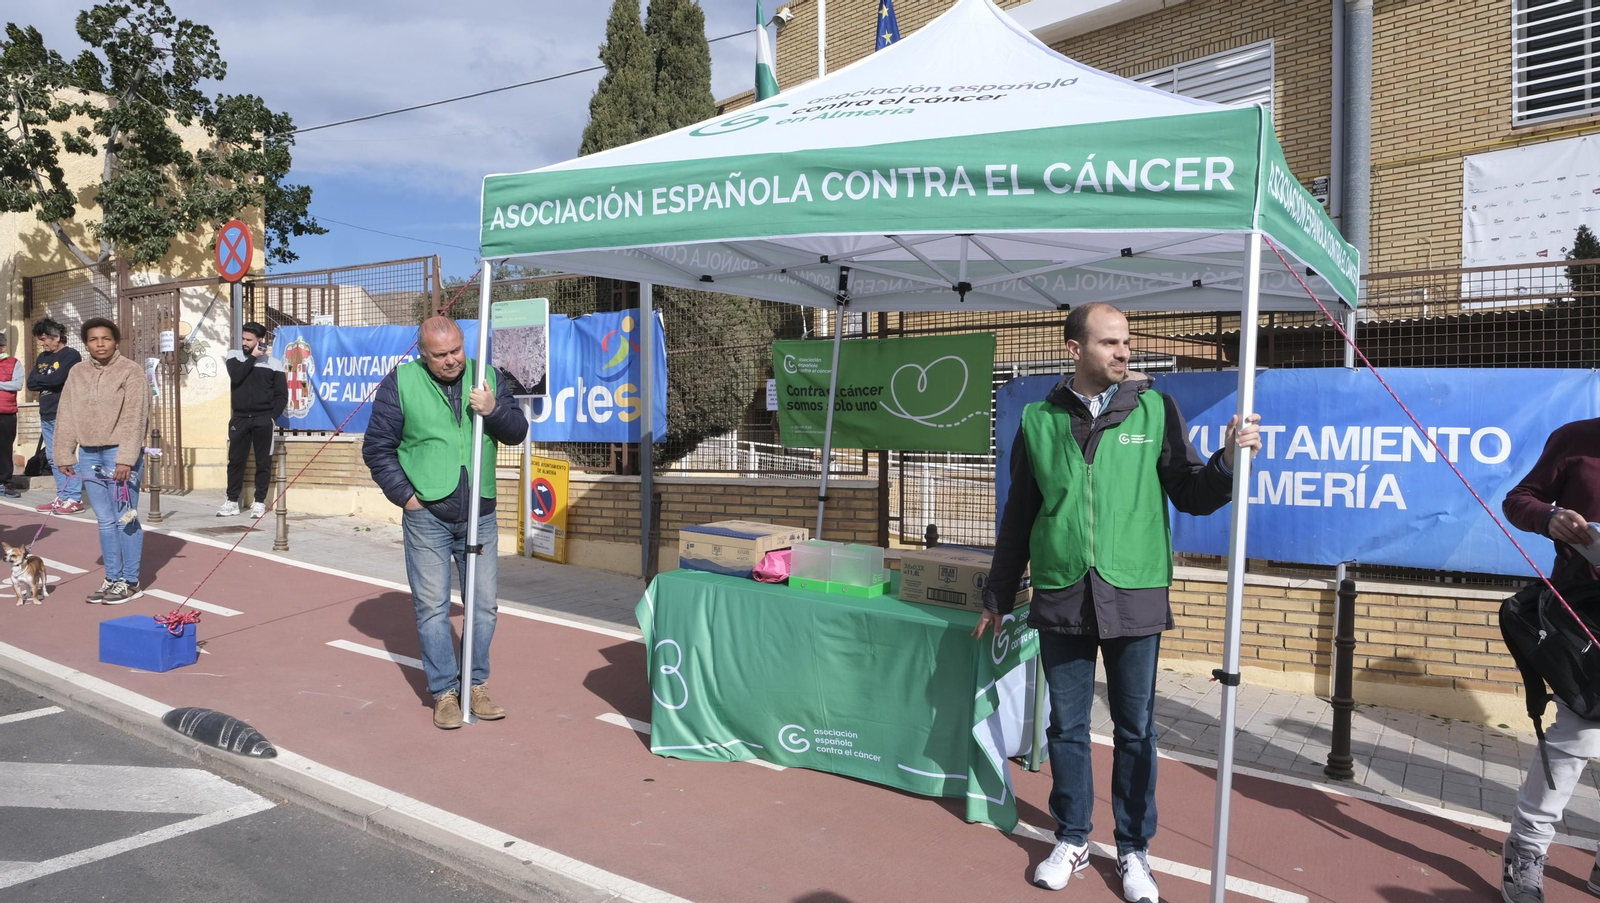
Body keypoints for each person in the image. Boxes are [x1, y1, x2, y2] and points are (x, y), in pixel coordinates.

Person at [975, 302, 1261, 901]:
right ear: (1075, 349)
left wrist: (1230, 460)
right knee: (1066, 728)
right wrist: (999, 593)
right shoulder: (1038, 419)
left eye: (1126, 342)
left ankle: (1134, 852)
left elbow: (1191, 494)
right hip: (1062, 595)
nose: (1124, 353)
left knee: (1136, 731)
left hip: (1134, 594)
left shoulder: (1154, 408)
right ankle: (1072, 837)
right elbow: (1019, 514)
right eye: (1109, 343)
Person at [362, 316, 527, 730]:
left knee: (484, 607)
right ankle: (444, 694)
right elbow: (377, 449)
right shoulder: (400, 383)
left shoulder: (488, 376)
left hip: (480, 515)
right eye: (441, 355)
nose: (452, 360)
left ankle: (476, 685)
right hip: (427, 518)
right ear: (422, 353)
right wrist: (407, 498)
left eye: (456, 350)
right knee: (432, 609)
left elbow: (517, 432)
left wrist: (494, 411)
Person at [1500, 416, 1600, 903]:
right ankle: (1526, 850)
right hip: (1583, 609)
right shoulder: (1575, 438)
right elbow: (1519, 500)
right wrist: (1548, 518)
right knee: (1575, 734)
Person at [53, 317, 150, 605]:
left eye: (105, 338)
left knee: (125, 518)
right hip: (89, 454)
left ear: (115, 341)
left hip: (118, 453)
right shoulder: (77, 372)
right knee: (105, 521)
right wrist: (64, 453)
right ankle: (112, 577)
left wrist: (126, 459)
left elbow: (136, 418)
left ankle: (130, 582)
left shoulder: (130, 372)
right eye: (93, 339)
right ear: (86, 344)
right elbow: (66, 414)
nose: (100, 344)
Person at [219, 322, 287, 518]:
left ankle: (259, 502)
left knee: (263, 462)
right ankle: (232, 502)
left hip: (263, 419)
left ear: (260, 341)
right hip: (239, 419)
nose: (244, 343)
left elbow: (281, 395)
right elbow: (237, 376)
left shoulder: (274, 364)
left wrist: (272, 418)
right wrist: (253, 358)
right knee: (235, 461)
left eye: (249, 340)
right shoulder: (234, 356)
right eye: (243, 338)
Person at [28, 318, 84, 514]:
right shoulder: (42, 357)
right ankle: (62, 496)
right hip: (46, 413)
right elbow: (30, 383)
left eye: (44, 339)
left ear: (57, 336)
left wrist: (45, 380)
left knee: (65, 455)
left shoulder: (71, 355)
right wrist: (47, 380)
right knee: (53, 458)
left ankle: (74, 499)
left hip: (64, 412)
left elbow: (58, 379)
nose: (42, 344)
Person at [0, 334, 22, 499]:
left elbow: (17, 384)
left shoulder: (14, 363)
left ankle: (5, 483)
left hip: (6, 412)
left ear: (3, 347)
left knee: (5, 449)